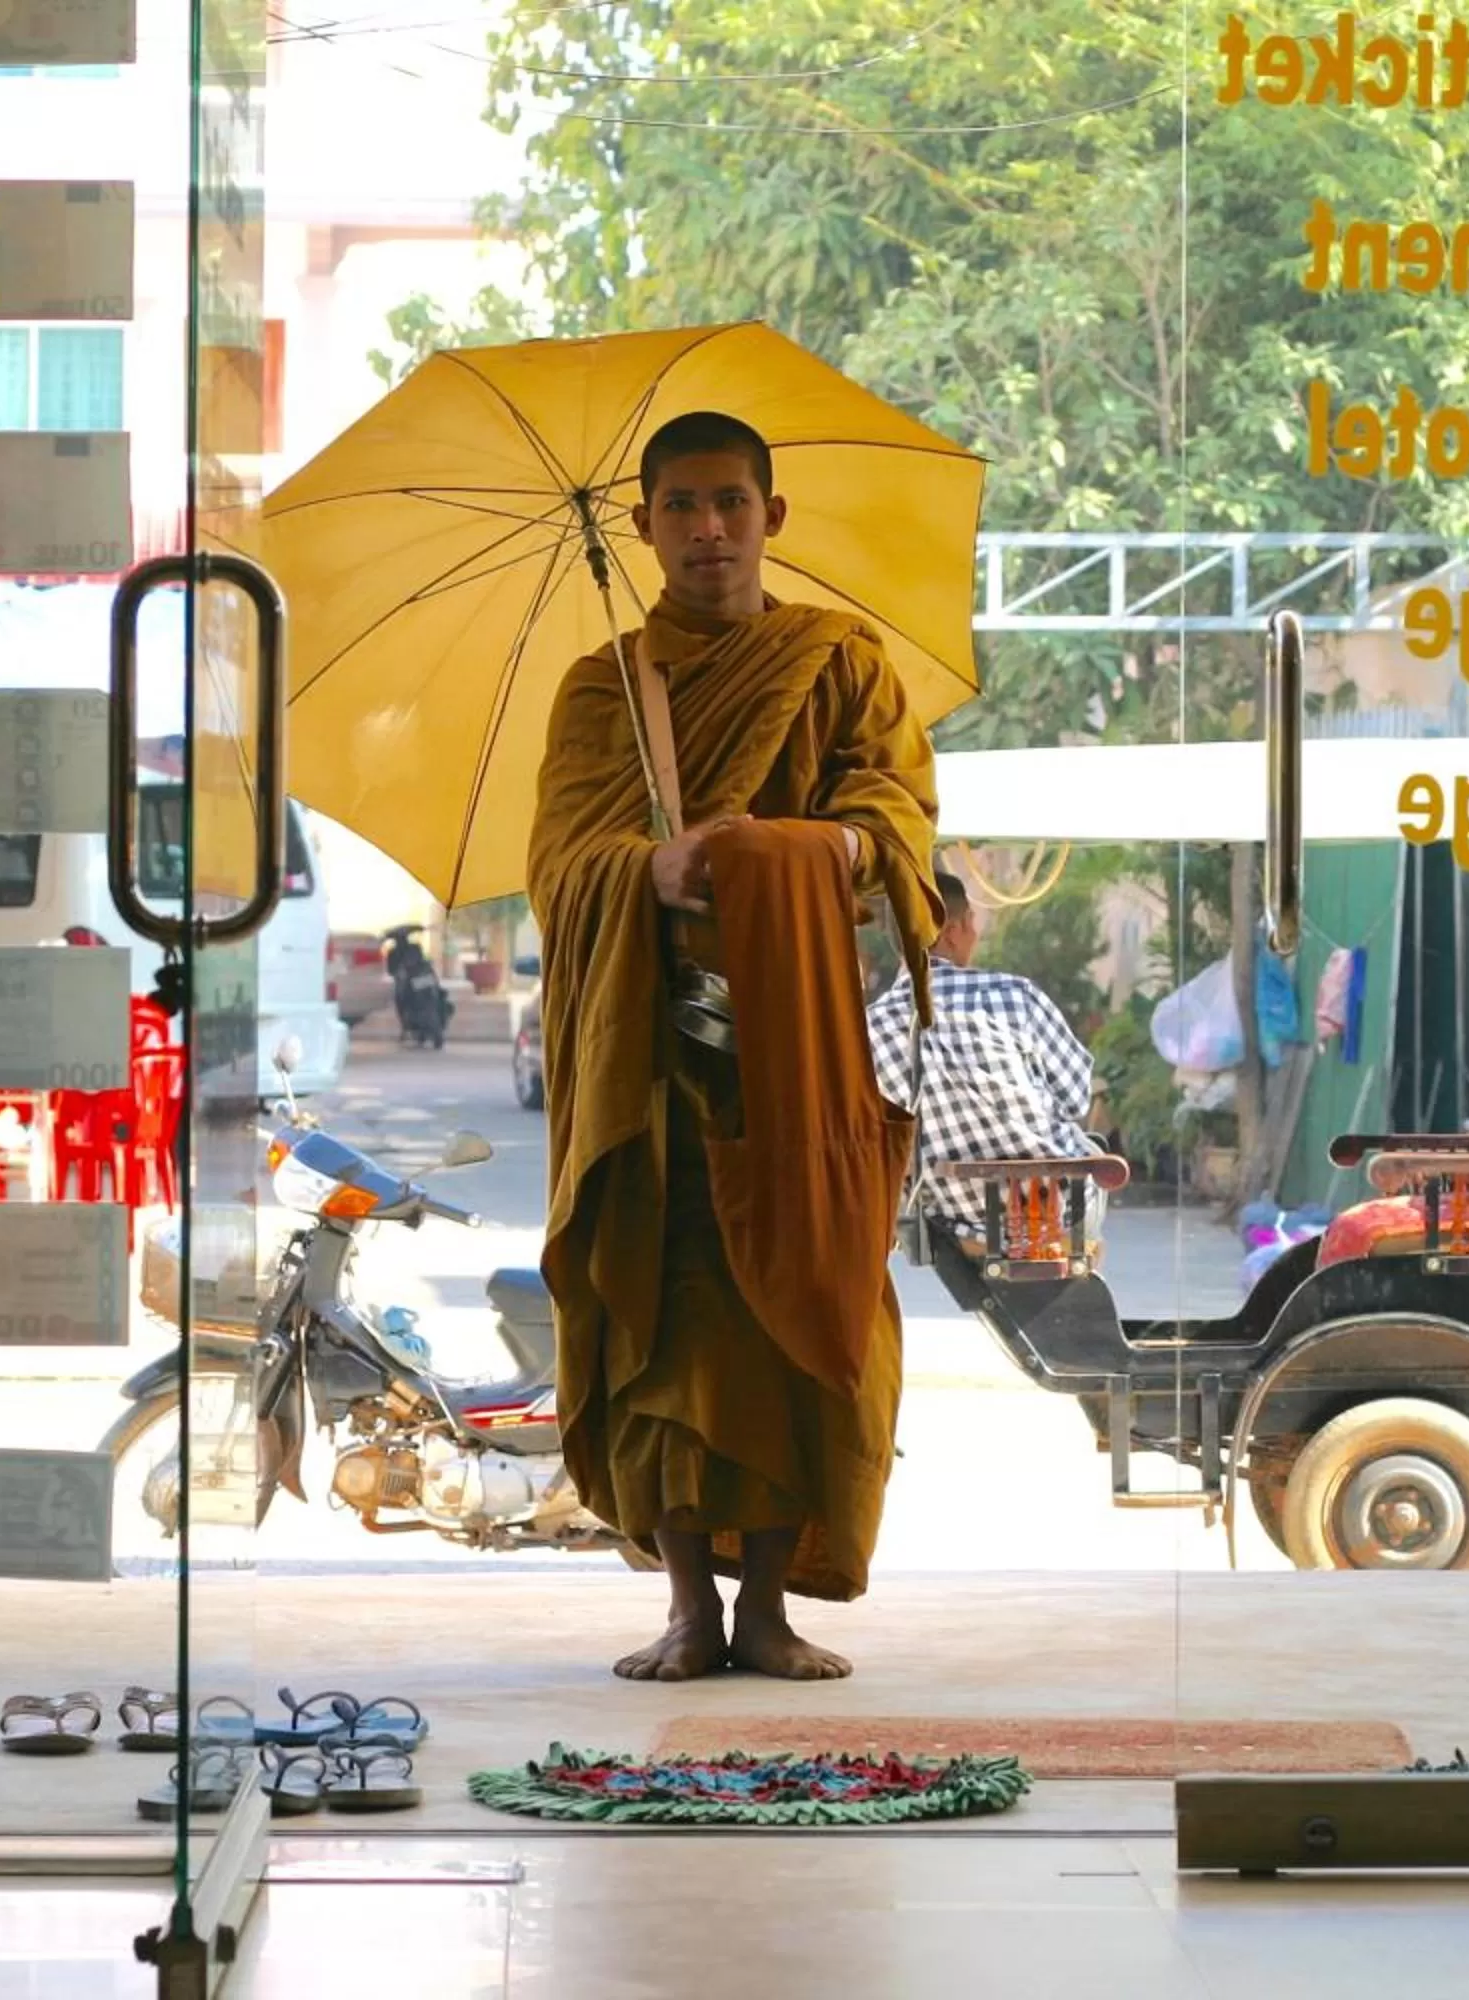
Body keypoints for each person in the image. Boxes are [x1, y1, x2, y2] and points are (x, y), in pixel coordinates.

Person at [528, 409, 940, 1685]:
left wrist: (812, 848)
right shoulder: (605, 687)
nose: (709, 529)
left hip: (793, 1048)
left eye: (732, 503)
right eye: (683, 507)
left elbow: (896, 813)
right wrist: (646, 867)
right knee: (662, 1318)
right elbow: (557, 864)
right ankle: (691, 1609)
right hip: (649, 1058)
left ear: (773, 517)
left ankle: (767, 1605)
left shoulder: (839, 664)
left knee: (797, 1307)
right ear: (647, 525)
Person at [864, 871, 1104, 1251]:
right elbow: (1076, 1098)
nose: (975, 933)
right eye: (972, 921)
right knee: (1092, 1147)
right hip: (1055, 1209)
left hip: (954, 1225)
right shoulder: (1013, 995)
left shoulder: (868, 1030)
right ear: (952, 931)